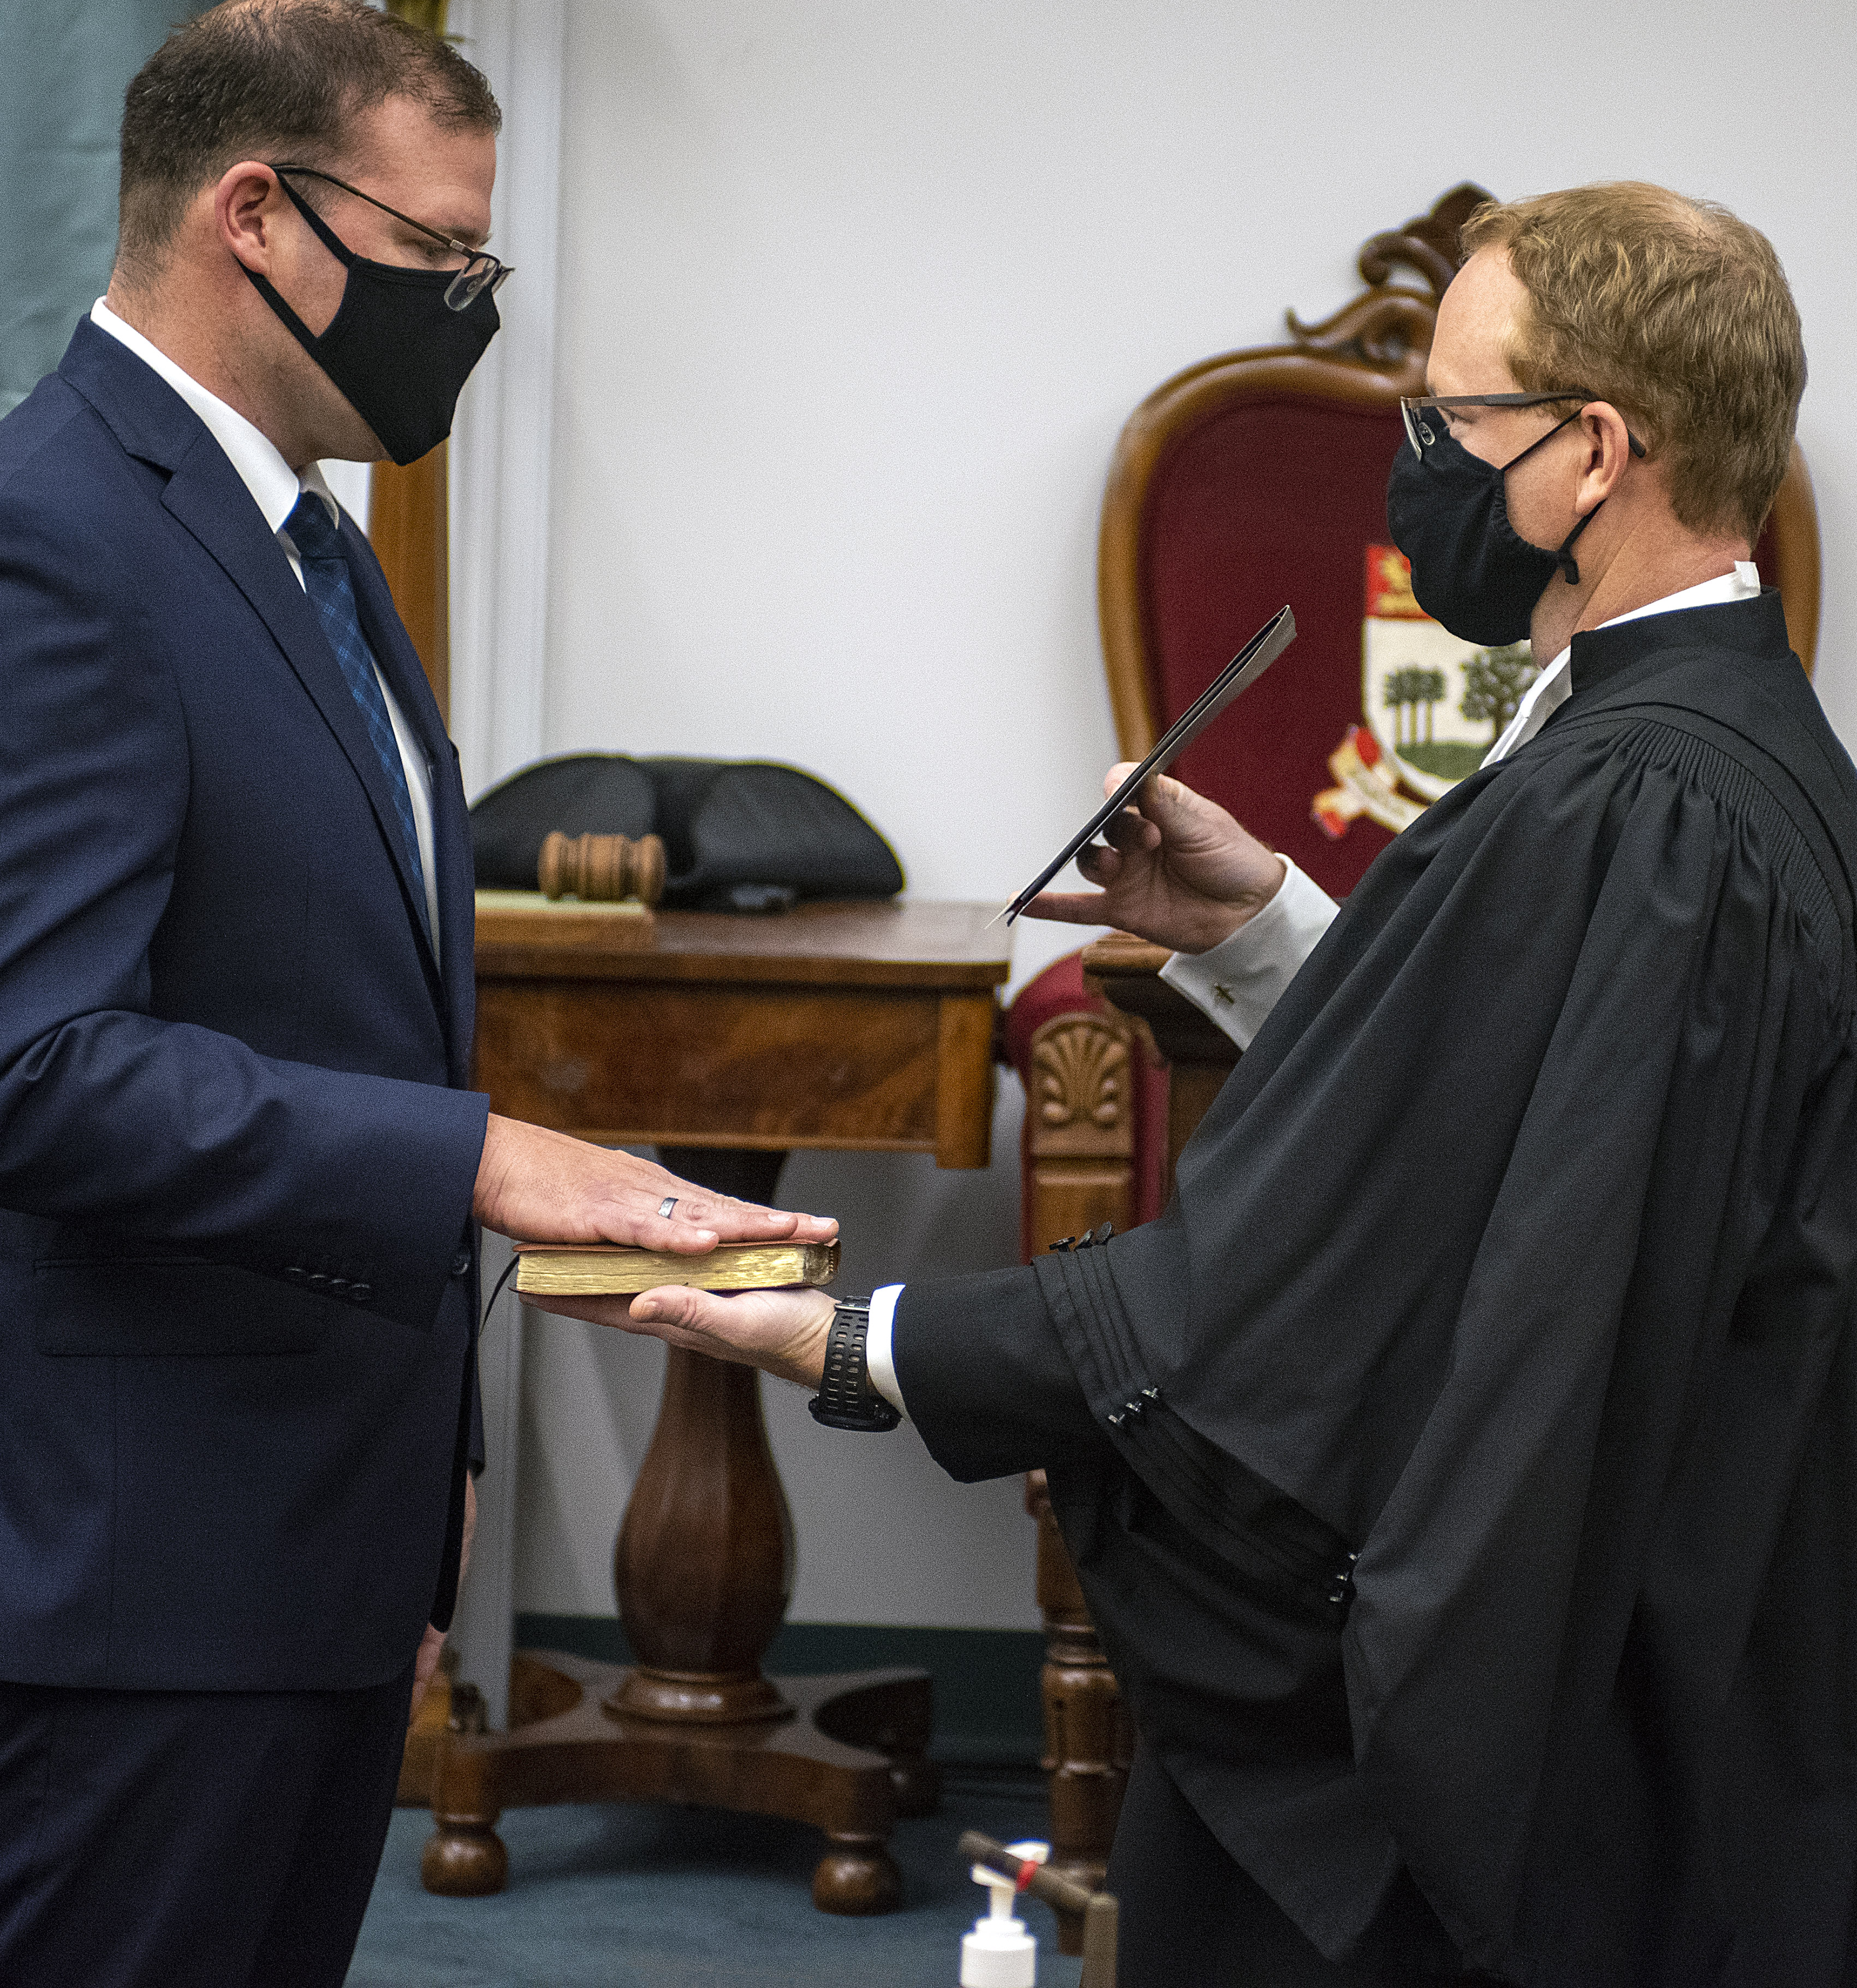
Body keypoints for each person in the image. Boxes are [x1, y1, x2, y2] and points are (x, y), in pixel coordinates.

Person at [551, 184, 1857, 1986]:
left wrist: (862, 1341)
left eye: (1448, 424)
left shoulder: (1629, 809)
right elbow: (1522, 1113)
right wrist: (1259, 924)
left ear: (1590, 451)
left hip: (1548, 1711)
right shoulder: (1743, 761)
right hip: (1702, 1640)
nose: (1417, 466)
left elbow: (1312, 1285)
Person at [0, 0, 837, 1988]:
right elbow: (39, 1063)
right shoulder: (58, 535)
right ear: (257, 217)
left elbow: (333, 1005)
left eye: (484, 259)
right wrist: (475, 1157)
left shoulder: (303, 536)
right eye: (437, 253)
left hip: (315, 1541)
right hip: (138, 1583)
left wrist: (430, 1473)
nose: (466, 303)